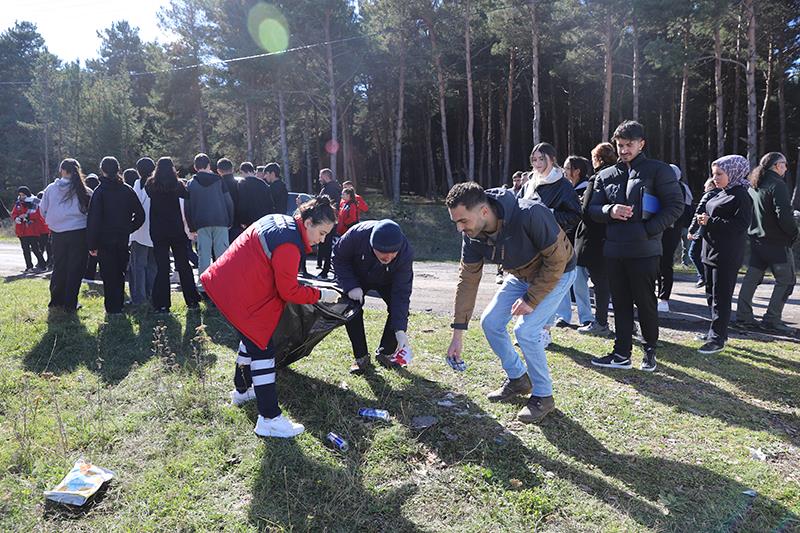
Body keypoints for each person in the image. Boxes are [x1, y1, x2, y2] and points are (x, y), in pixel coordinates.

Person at [200, 197, 340, 438]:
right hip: (237, 293)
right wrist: (320, 294)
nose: (322, 240)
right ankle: (269, 419)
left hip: (227, 284)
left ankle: (242, 390)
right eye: (321, 233)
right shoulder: (289, 245)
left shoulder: (282, 222)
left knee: (251, 339)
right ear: (308, 223)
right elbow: (289, 291)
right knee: (263, 351)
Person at [445, 182, 576, 424]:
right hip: (520, 275)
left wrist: (531, 299)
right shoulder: (471, 236)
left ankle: (543, 396)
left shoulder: (530, 214)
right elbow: (467, 281)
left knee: (525, 331)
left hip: (558, 273)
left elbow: (557, 261)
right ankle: (518, 379)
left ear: (484, 211)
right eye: (456, 222)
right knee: (491, 322)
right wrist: (457, 333)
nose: (459, 228)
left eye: (463, 221)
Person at [587, 120, 683, 372]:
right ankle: (621, 353)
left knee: (645, 302)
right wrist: (610, 210)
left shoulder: (659, 170)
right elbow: (591, 209)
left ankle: (650, 349)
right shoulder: (606, 175)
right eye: (620, 145)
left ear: (642, 144)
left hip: (645, 251)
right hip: (614, 250)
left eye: (629, 144)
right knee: (619, 303)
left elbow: (675, 206)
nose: (624, 150)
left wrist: (647, 230)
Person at [333, 219, 414, 374]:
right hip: (357, 275)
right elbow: (339, 257)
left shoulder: (405, 252)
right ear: (372, 245)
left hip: (388, 279)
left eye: (393, 253)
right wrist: (351, 285)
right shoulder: (356, 235)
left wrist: (400, 330)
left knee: (398, 309)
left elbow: (401, 294)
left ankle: (386, 353)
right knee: (352, 308)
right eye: (383, 252)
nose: (388, 257)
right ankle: (361, 357)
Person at [735, 152, 799, 333]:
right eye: (784, 164)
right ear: (777, 165)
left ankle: (743, 317)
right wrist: (794, 233)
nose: (786, 167)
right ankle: (772, 319)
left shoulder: (755, 184)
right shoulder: (777, 185)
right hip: (776, 242)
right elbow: (784, 215)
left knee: (751, 279)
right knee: (786, 281)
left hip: (756, 241)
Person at [694, 155, 752, 353]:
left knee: (721, 298)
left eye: (719, 174)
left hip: (726, 255)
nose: (715, 178)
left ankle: (717, 340)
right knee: (711, 295)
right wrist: (704, 220)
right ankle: (716, 331)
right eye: (714, 174)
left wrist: (710, 222)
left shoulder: (741, 195)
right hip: (710, 252)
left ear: (733, 173)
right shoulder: (721, 192)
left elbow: (741, 225)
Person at [523, 143, 581, 335]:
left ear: (552, 159)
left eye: (542, 159)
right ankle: (532, 329)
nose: (537, 163)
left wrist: (549, 214)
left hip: (552, 244)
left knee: (548, 287)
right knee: (533, 286)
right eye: (534, 159)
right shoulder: (529, 183)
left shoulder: (563, 184)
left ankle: (544, 332)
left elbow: (575, 215)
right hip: (530, 244)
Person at [86, 157, 145, 315]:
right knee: (120, 273)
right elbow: (140, 215)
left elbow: (93, 220)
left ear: (102, 170)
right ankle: (119, 305)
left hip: (104, 239)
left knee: (108, 274)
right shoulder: (127, 190)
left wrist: (91, 244)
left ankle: (112, 307)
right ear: (118, 169)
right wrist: (129, 228)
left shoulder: (99, 192)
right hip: (122, 238)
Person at [145, 157, 202, 313]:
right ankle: (192, 300)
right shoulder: (177, 184)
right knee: (183, 265)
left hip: (158, 230)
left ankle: (161, 304)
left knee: (162, 267)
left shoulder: (150, 184)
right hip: (176, 229)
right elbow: (187, 196)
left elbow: (149, 194)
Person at [40, 159, 93, 312]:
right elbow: (92, 213)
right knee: (75, 268)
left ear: (61, 170)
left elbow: (42, 210)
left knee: (59, 266)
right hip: (79, 232)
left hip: (57, 233)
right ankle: (70, 303)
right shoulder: (85, 190)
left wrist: (54, 221)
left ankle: (56, 301)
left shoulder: (51, 189)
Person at [576, 143, 617, 336]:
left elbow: (586, 210)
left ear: (598, 159)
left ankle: (600, 322)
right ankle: (625, 322)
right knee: (614, 283)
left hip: (594, 238)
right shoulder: (620, 176)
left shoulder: (597, 178)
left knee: (600, 283)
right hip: (614, 237)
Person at [185, 153, 234, 296]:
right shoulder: (219, 180)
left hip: (201, 223)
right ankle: (223, 285)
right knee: (222, 255)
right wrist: (230, 220)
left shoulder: (191, 184)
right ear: (209, 165)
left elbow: (187, 207)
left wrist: (191, 226)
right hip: (220, 221)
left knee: (203, 256)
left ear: (195, 167)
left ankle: (203, 287)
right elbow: (229, 202)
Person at [555, 155, 593, 328]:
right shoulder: (563, 189)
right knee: (561, 280)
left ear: (576, 171)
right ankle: (563, 316)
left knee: (579, 282)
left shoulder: (586, 189)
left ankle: (586, 317)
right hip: (562, 241)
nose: (564, 171)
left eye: (567, 168)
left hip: (579, 241)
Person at [656, 164, 694, 313]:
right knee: (657, 262)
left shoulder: (680, 188)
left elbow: (683, 210)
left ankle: (663, 298)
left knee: (665, 263)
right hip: (662, 229)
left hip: (671, 230)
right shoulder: (661, 185)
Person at [128, 158, 158, 306]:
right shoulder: (158, 183)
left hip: (139, 231)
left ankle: (139, 299)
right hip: (156, 230)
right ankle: (152, 295)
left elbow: (133, 208)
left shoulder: (137, 184)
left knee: (138, 267)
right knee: (153, 266)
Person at [687, 178, 720, 288]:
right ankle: (708, 277)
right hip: (717, 230)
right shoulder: (724, 195)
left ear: (710, 186)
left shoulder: (708, 195)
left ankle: (703, 276)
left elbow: (698, 213)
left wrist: (691, 230)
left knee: (693, 253)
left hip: (703, 229)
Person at [11, 186, 47, 272]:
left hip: (32, 230)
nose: (21, 196)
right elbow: (14, 213)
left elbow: (39, 214)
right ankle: (29, 266)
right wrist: (16, 218)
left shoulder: (36, 201)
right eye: (20, 195)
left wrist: (27, 216)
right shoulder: (18, 203)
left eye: (23, 194)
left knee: (35, 249)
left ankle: (43, 265)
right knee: (25, 250)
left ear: (27, 194)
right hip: (22, 230)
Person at [316, 168, 342, 278]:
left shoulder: (330, 189)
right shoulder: (332, 188)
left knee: (326, 246)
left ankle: (325, 271)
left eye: (321, 176)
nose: (319, 179)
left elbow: (325, 205)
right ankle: (324, 269)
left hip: (327, 221)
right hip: (329, 221)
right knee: (324, 245)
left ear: (326, 176)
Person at [236, 161, 274, 230]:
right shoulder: (263, 183)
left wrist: (242, 219)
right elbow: (270, 203)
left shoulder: (243, 183)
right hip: (263, 219)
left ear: (243, 171)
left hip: (250, 219)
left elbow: (243, 202)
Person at [216, 158, 242, 242]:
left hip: (222, 223)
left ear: (218, 171)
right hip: (239, 222)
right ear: (232, 169)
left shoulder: (217, 185)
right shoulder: (240, 183)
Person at [35, 191, 52, 269]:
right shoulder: (37, 207)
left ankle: (49, 261)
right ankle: (43, 262)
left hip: (46, 230)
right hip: (41, 230)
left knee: (47, 247)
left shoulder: (46, 207)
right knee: (42, 247)